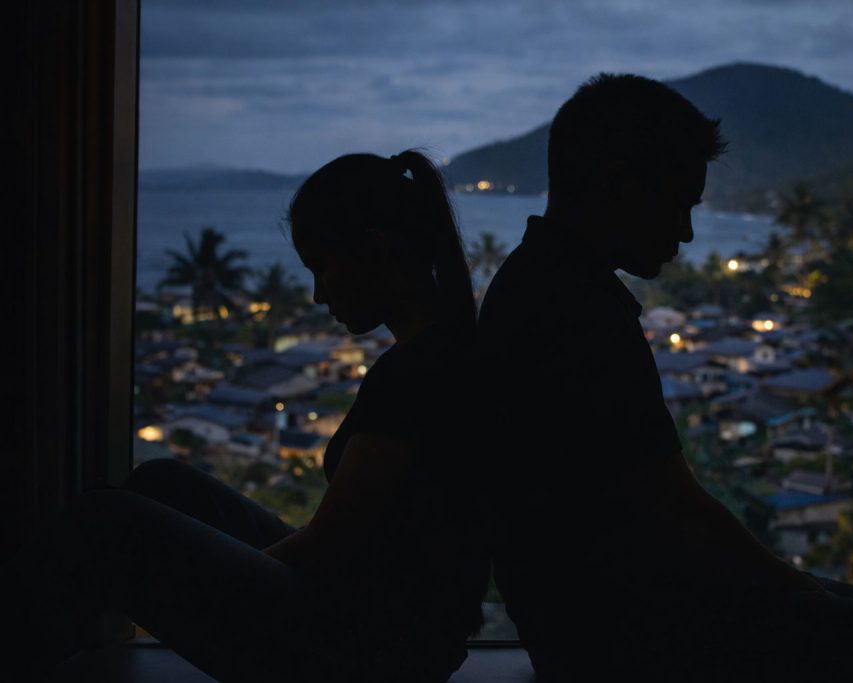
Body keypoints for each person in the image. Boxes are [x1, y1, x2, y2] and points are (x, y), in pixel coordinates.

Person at [475, 74, 853, 681]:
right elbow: (677, 509)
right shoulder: (574, 312)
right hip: (641, 635)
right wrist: (803, 592)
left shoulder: (539, 287)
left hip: (606, 626)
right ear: (619, 185)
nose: (684, 232)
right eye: (677, 201)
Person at [1, 150, 490, 682]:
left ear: (377, 251)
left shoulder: (418, 373)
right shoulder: (443, 349)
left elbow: (327, 547)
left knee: (104, 522)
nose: (317, 294)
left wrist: (212, 578)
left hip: (367, 651)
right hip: (378, 621)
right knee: (162, 482)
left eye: (322, 269)